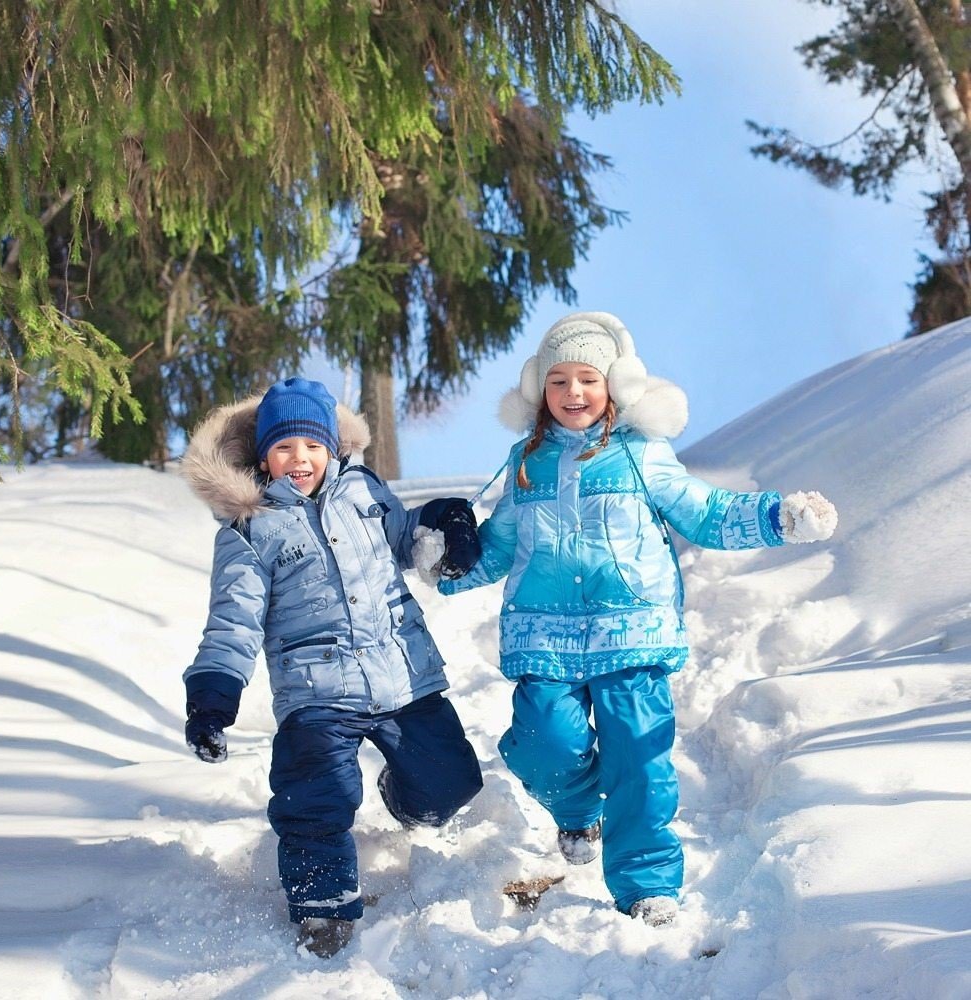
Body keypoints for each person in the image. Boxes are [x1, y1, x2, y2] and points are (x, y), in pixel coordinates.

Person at [439, 312, 838, 927]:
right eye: (559, 381)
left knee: (639, 758)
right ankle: (577, 812)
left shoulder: (642, 454)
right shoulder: (526, 463)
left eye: (587, 380)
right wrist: (443, 563)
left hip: (632, 631)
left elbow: (706, 513)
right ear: (539, 391)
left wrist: (776, 518)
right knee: (546, 743)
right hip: (546, 635)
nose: (573, 393)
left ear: (614, 388)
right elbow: (496, 547)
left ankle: (646, 884)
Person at [180, 377, 484, 958]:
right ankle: (322, 907)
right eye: (285, 448)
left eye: (313, 447)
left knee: (452, 782)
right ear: (263, 457)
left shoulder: (365, 492)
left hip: (402, 676)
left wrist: (443, 520)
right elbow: (232, 622)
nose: (301, 460)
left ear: (334, 450)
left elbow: (406, 537)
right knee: (314, 800)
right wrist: (212, 698)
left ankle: (408, 800)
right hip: (315, 693)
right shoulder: (251, 530)